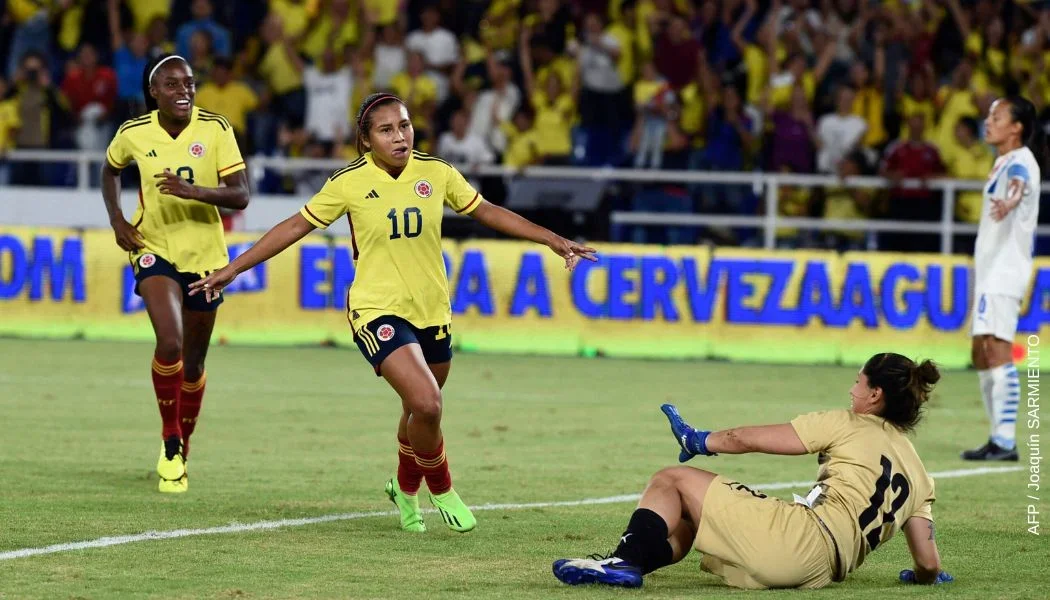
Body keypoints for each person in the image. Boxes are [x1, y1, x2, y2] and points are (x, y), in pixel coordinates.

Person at [189, 93, 596, 533]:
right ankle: (441, 488)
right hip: (376, 309)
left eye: (404, 125)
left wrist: (553, 239)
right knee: (427, 401)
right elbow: (294, 226)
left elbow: (489, 212)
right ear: (366, 141)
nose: (400, 136)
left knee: (418, 412)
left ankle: (404, 489)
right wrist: (233, 267)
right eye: (386, 130)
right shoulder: (348, 182)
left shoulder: (435, 172)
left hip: (431, 310)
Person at [552, 353, 955, 590]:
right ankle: (634, 564)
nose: (851, 391)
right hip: (820, 572)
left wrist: (698, 440)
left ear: (875, 395)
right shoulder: (920, 476)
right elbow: (929, 564)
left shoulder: (848, 423)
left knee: (670, 480)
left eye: (856, 382)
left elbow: (746, 438)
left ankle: (621, 561)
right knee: (690, 514)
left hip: (798, 540)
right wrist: (921, 579)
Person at [100, 54, 249, 494]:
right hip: (154, 248)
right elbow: (110, 170)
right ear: (154, 92)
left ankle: (183, 447)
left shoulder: (216, 128)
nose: (183, 91)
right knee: (170, 342)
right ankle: (169, 439)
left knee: (195, 361)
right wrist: (118, 220)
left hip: (205, 256)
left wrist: (193, 191)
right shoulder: (133, 133)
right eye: (172, 84)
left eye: (189, 83)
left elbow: (241, 195)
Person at [962, 96, 1045, 461]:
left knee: (996, 349)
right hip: (989, 272)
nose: (988, 121)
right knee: (981, 353)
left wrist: (1011, 201)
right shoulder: (1002, 160)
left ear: (1017, 128)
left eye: (997, 116)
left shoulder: (1021, 161)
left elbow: (1020, 183)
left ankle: (1006, 441)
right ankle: (997, 436)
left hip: (1005, 271)